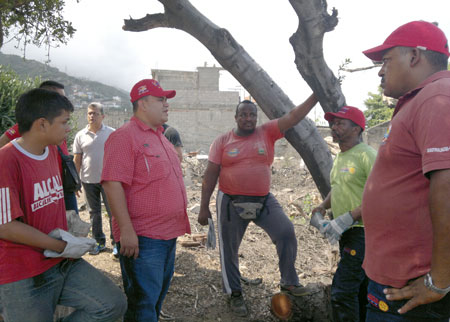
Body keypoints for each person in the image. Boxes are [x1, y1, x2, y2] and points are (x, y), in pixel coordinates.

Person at [0, 88, 127, 321]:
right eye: (64, 122)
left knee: (111, 304)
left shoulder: (52, 151)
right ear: (42, 124)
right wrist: (61, 246)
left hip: (60, 262)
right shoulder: (6, 161)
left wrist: (68, 241)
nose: (69, 128)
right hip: (23, 272)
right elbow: (5, 226)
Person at [361, 20, 450, 321]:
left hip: (414, 289)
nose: (380, 70)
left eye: (386, 60)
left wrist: (439, 281)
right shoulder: (419, 100)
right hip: (395, 281)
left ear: (414, 56)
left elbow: (447, 186)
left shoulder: (438, 98)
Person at [198, 94, 318, 317]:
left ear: (256, 117)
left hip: (264, 200)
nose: (248, 118)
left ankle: (289, 282)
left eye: (252, 114)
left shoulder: (267, 132)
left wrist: (316, 97)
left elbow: (292, 117)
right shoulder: (222, 141)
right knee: (229, 250)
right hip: (230, 202)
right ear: (236, 117)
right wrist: (204, 207)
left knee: (286, 232)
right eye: (243, 114)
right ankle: (235, 294)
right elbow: (210, 175)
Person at [101, 79, 191, 321]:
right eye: (160, 99)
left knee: (155, 298)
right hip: (144, 238)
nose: (166, 104)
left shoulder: (161, 137)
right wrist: (126, 231)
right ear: (142, 103)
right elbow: (112, 183)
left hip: (167, 235)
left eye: (166, 99)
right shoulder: (124, 137)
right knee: (142, 303)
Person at [311, 106, 376, 322]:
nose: (334, 127)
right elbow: (338, 187)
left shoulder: (367, 155)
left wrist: (351, 216)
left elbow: (381, 194)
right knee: (361, 290)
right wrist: (323, 205)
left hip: (363, 233)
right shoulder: (341, 157)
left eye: (340, 123)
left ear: (357, 129)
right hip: (348, 233)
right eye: (333, 122)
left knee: (342, 292)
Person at [0, 80, 79, 215]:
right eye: (60, 97)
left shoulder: (51, 148)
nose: (68, 129)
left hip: (58, 186)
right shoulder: (9, 159)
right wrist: (50, 238)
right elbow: (7, 226)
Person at [73, 102, 116, 256]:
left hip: (108, 180)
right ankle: (98, 242)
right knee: (94, 212)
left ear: (103, 116)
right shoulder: (80, 135)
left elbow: (118, 157)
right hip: (88, 180)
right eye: (89, 113)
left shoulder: (112, 133)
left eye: (95, 113)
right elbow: (77, 160)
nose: (91, 116)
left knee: (113, 212)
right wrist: (75, 181)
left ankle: (116, 243)